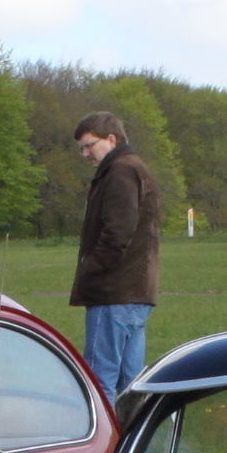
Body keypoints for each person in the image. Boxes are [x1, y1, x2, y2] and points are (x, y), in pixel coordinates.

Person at [68, 110, 161, 393]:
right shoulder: (136, 168)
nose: (85, 154)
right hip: (137, 292)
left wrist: (90, 270)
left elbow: (117, 234)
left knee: (100, 382)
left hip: (113, 293)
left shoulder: (119, 171)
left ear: (111, 139)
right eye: (82, 148)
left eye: (89, 145)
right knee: (130, 386)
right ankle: (130, 425)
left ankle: (106, 426)